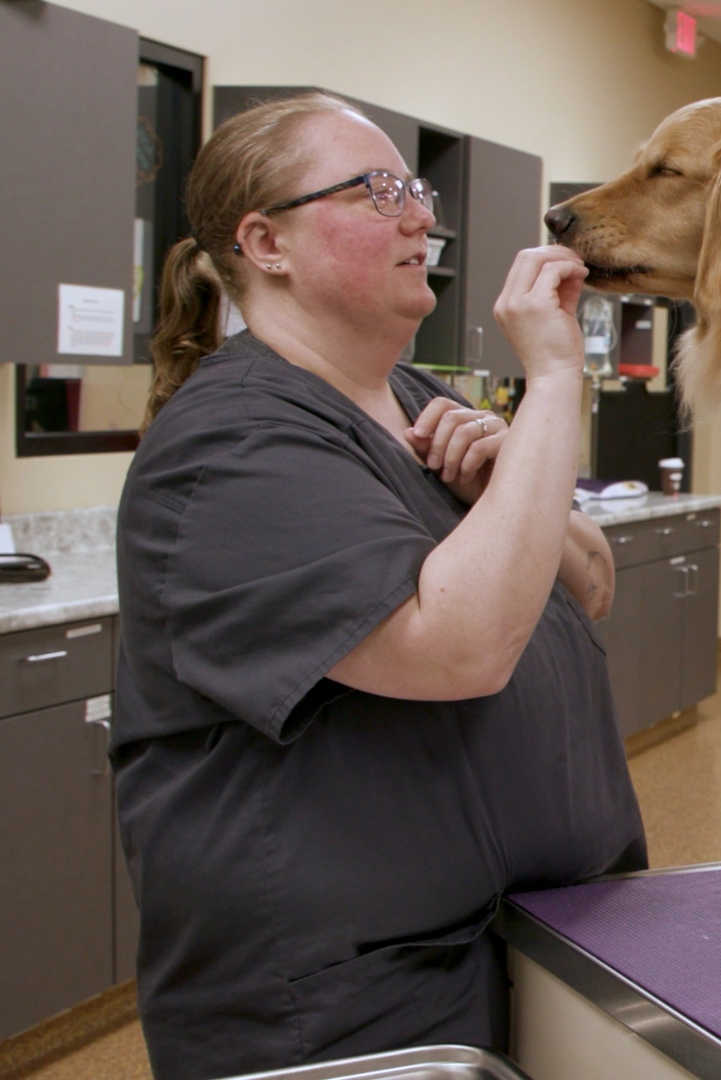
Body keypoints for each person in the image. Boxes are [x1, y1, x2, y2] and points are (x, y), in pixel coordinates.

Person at [113, 93, 643, 1080]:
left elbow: (593, 579)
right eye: (379, 192)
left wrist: (505, 475)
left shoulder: (417, 400)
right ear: (266, 242)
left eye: (417, 189)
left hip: (523, 949)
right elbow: (461, 646)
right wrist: (557, 381)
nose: (420, 218)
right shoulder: (231, 445)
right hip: (351, 1008)